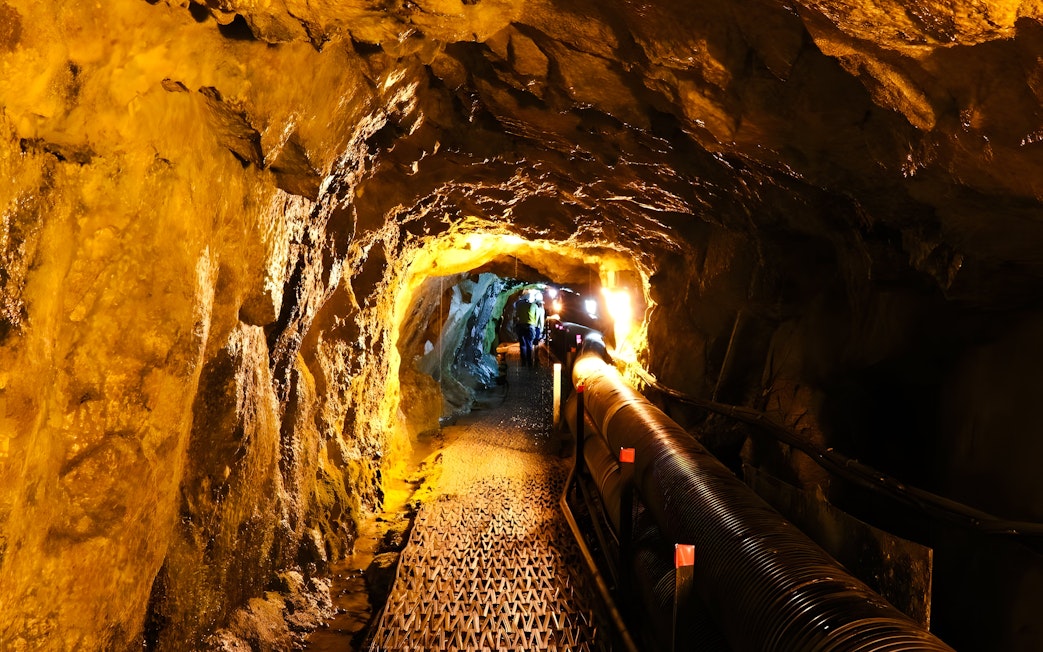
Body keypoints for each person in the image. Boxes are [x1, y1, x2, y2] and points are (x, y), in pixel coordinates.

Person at [514, 290, 545, 368]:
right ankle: (530, 362)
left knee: (522, 345)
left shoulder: (519, 305)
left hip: (520, 326)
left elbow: (516, 315)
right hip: (530, 327)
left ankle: (523, 362)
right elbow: (537, 317)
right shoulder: (533, 306)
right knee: (529, 344)